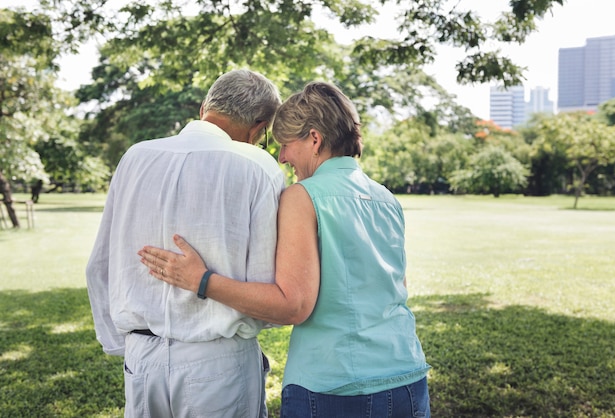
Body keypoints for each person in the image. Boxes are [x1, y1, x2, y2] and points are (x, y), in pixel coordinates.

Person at [139, 81, 431, 417]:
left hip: (336, 386)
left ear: (315, 139)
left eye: (285, 144)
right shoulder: (386, 198)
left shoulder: (302, 196)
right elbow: (397, 289)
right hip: (407, 378)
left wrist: (201, 280)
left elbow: (292, 306)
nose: (280, 156)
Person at [86, 69, 284, 418]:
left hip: (140, 355)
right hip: (218, 359)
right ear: (259, 127)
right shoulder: (258, 166)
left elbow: (98, 266)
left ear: (206, 106)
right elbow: (265, 287)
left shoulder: (135, 157)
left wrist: (125, 345)